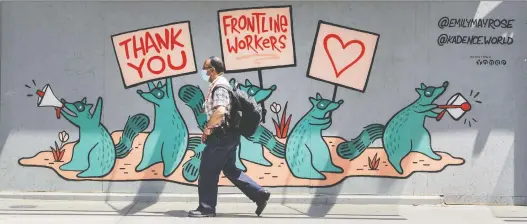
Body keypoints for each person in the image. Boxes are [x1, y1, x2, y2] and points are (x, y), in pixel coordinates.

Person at [188, 56, 271, 218]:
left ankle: (206, 208)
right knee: (230, 169)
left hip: (220, 137)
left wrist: (207, 128)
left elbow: (220, 111)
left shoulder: (220, 87)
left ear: (213, 70)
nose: (203, 71)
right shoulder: (220, 85)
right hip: (230, 136)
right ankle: (259, 194)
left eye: (205, 68)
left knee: (207, 171)